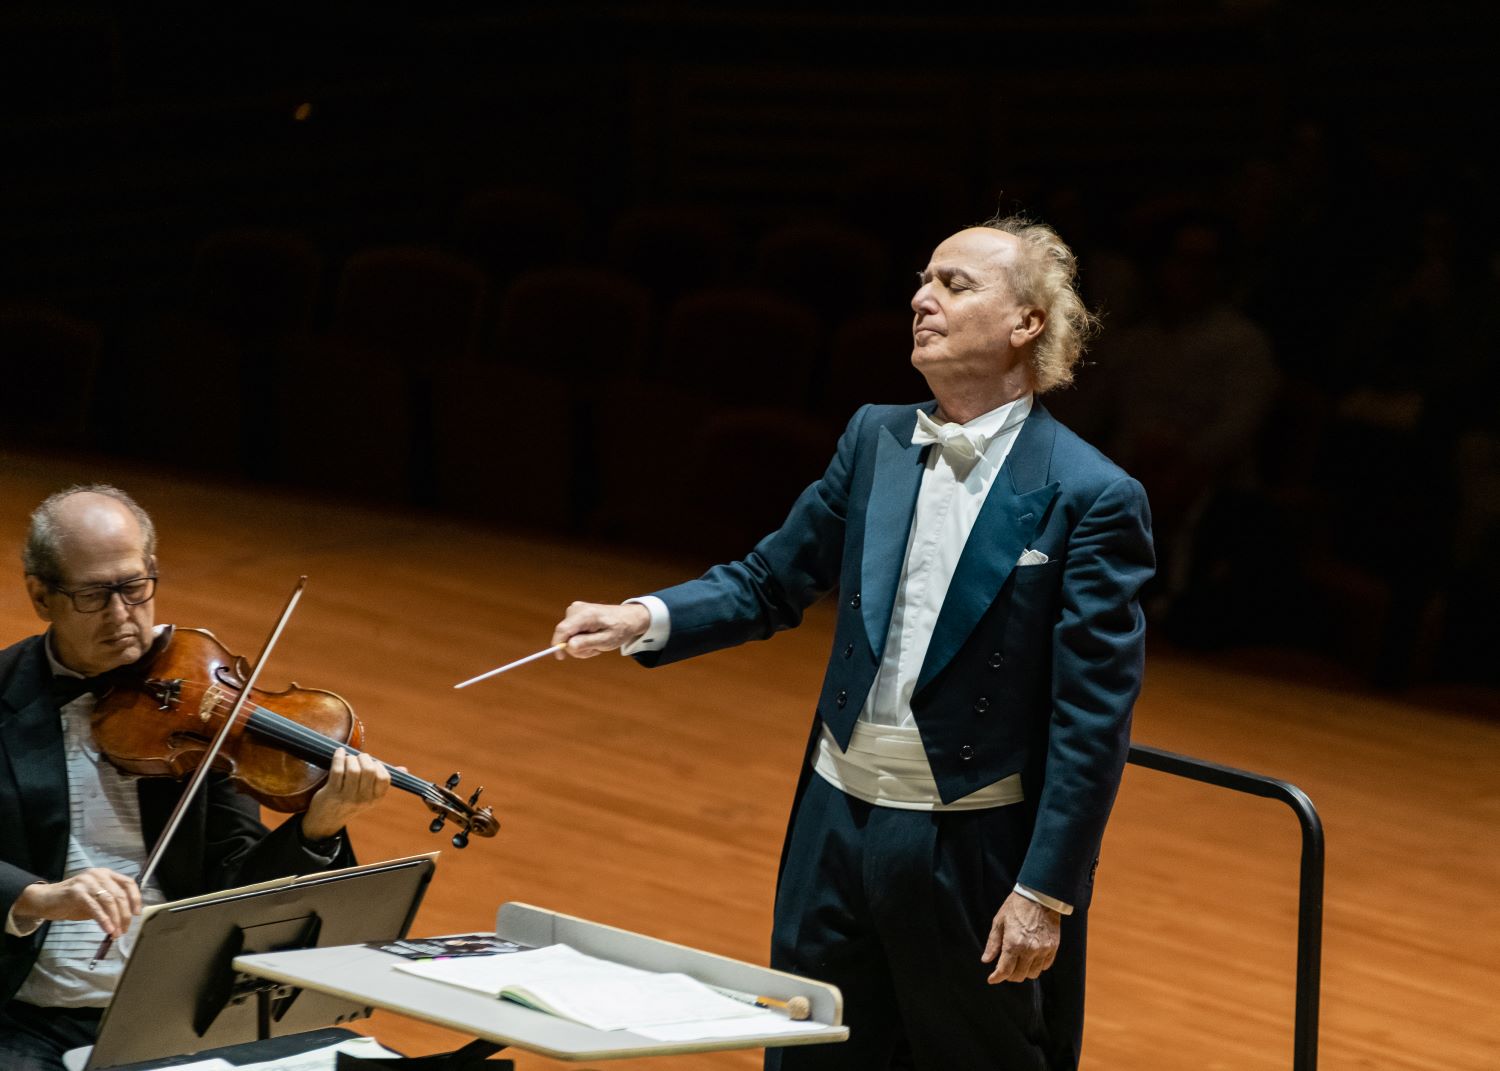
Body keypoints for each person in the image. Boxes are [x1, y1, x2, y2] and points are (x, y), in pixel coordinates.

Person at [553, 214, 1155, 1070]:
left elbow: (1092, 720)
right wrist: (643, 616)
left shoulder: (1092, 493)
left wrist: (1045, 891)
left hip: (966, 843)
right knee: (810, 1049)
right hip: (834, 819)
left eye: (955, 284)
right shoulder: (875, 437)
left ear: (1028, 324)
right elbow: (770, 579)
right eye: (922, 279)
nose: (922, 298)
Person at [0, 485, 393, 1070]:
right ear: (41, 595)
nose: (121, 615)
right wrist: (36, 898)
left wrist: (319, 826)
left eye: (134, 587)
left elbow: (241, 885)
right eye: (92, 596)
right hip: (24, 1018)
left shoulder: (201, 706)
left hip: (176, 1012)